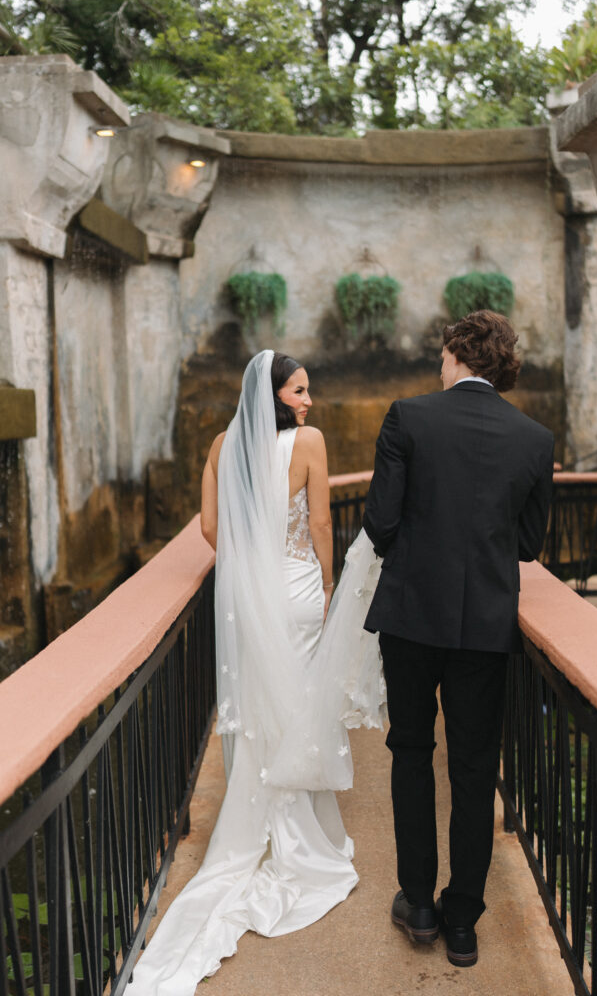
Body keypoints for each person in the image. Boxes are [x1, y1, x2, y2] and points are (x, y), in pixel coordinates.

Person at [124, 350, 359, 996]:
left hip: (250, 596)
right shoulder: (308, 443)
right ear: (277, 396)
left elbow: (208, 528)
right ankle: (302, 826)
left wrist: (249, 570)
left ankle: (259, 815)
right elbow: (317, 522)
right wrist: (328, 582)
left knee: (260, 704)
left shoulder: (221, 445)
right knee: (301, 700)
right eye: (300, 390)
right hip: (300, 591)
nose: (308, 402)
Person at [361, 310, 554, 968]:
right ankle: (463, 921)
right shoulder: (533, 437)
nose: (438, 365)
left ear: (457, 356)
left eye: (443, 355)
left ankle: (416, 902)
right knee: (473, 769)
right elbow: (528, 544)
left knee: (410, 751)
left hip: (411, 617)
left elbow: (380, 524)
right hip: (483, 627)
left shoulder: (407, 417)